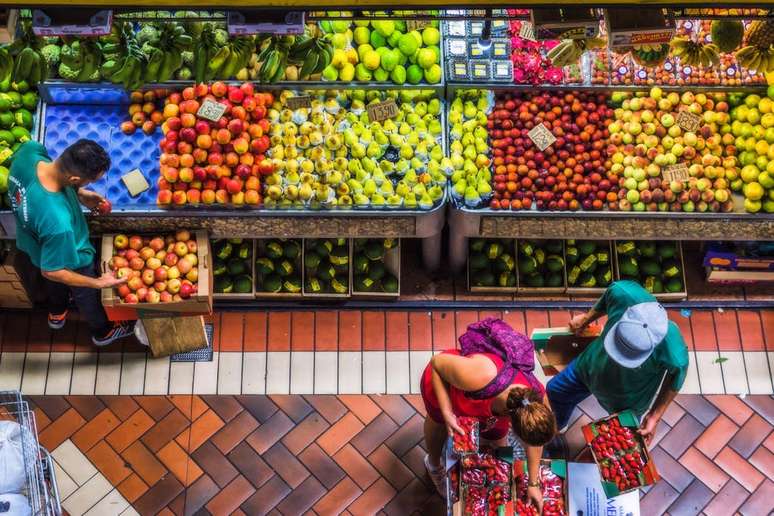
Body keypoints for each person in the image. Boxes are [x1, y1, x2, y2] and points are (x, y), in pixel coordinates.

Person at [8, 139, 134, 346]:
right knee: (85, 294)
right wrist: (98, 282)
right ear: (74, 177)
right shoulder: (58, 223)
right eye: (87, 182)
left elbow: (47, 183)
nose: (87, 185)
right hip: (70, 254)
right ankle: (101, 332)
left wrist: (80, 194)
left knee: (54, 285)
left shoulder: (29, 152)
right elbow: (53, 271)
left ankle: (57, 313)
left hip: (35, 244)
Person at [546, 280, 689, 445]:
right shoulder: (623, 293)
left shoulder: (674, 350)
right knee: (555, 391)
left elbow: (677, 377)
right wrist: (586, 319)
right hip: (588, 367)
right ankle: (558, 426)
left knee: (622, 441)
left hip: (627, 399)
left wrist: (654, 416)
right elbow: (609, 296)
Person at [421, 347, 556, 512]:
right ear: (511, 425)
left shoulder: (536, 404)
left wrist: (533, 483)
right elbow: (437, 363)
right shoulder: (480, 375)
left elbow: (534, 442)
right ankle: (433, 465)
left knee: (497, 440)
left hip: (490, 410)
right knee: (439, 424)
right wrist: (447, 412)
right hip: (446, 388)